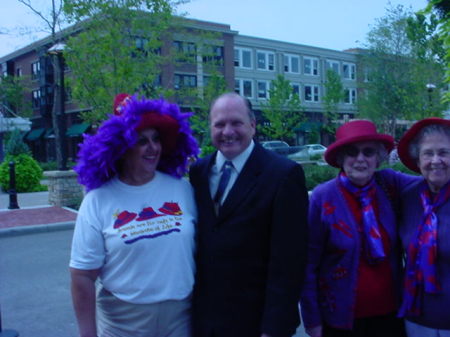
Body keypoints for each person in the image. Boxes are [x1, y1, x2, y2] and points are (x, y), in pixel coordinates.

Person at [69, 94, 199, 337]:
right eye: (141, 141)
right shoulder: (98, 200)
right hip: (123, 323)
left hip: (181, 318)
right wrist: (87, 334)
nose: (153, 148)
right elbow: (82, 276)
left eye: (156, 139)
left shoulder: (181, 188)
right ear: (122, 146)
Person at [189, 92, 309, 337]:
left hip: (256, 323)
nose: (228, 131)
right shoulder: (198, 173)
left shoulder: (283, 175)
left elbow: (289, 262)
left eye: (236, 122)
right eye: (219, 124)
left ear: (252, 125)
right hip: (204, 322)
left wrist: (274, 329)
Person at [300, 120, 417, 337]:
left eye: (368, 152)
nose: (361, 159)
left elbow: (430, 183)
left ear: (378, 157)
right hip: (340, 321)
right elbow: (307, 263)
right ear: (341, 157)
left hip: (390, 317)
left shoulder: (389, 184)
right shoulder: (322, 197)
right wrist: (312, 319)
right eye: (352, 152)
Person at [396, 117, 450, 337]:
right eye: (428, 153)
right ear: (418, 161)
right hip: (416, 317)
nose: (436, 160)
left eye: (444, 152)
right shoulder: (408, 196)